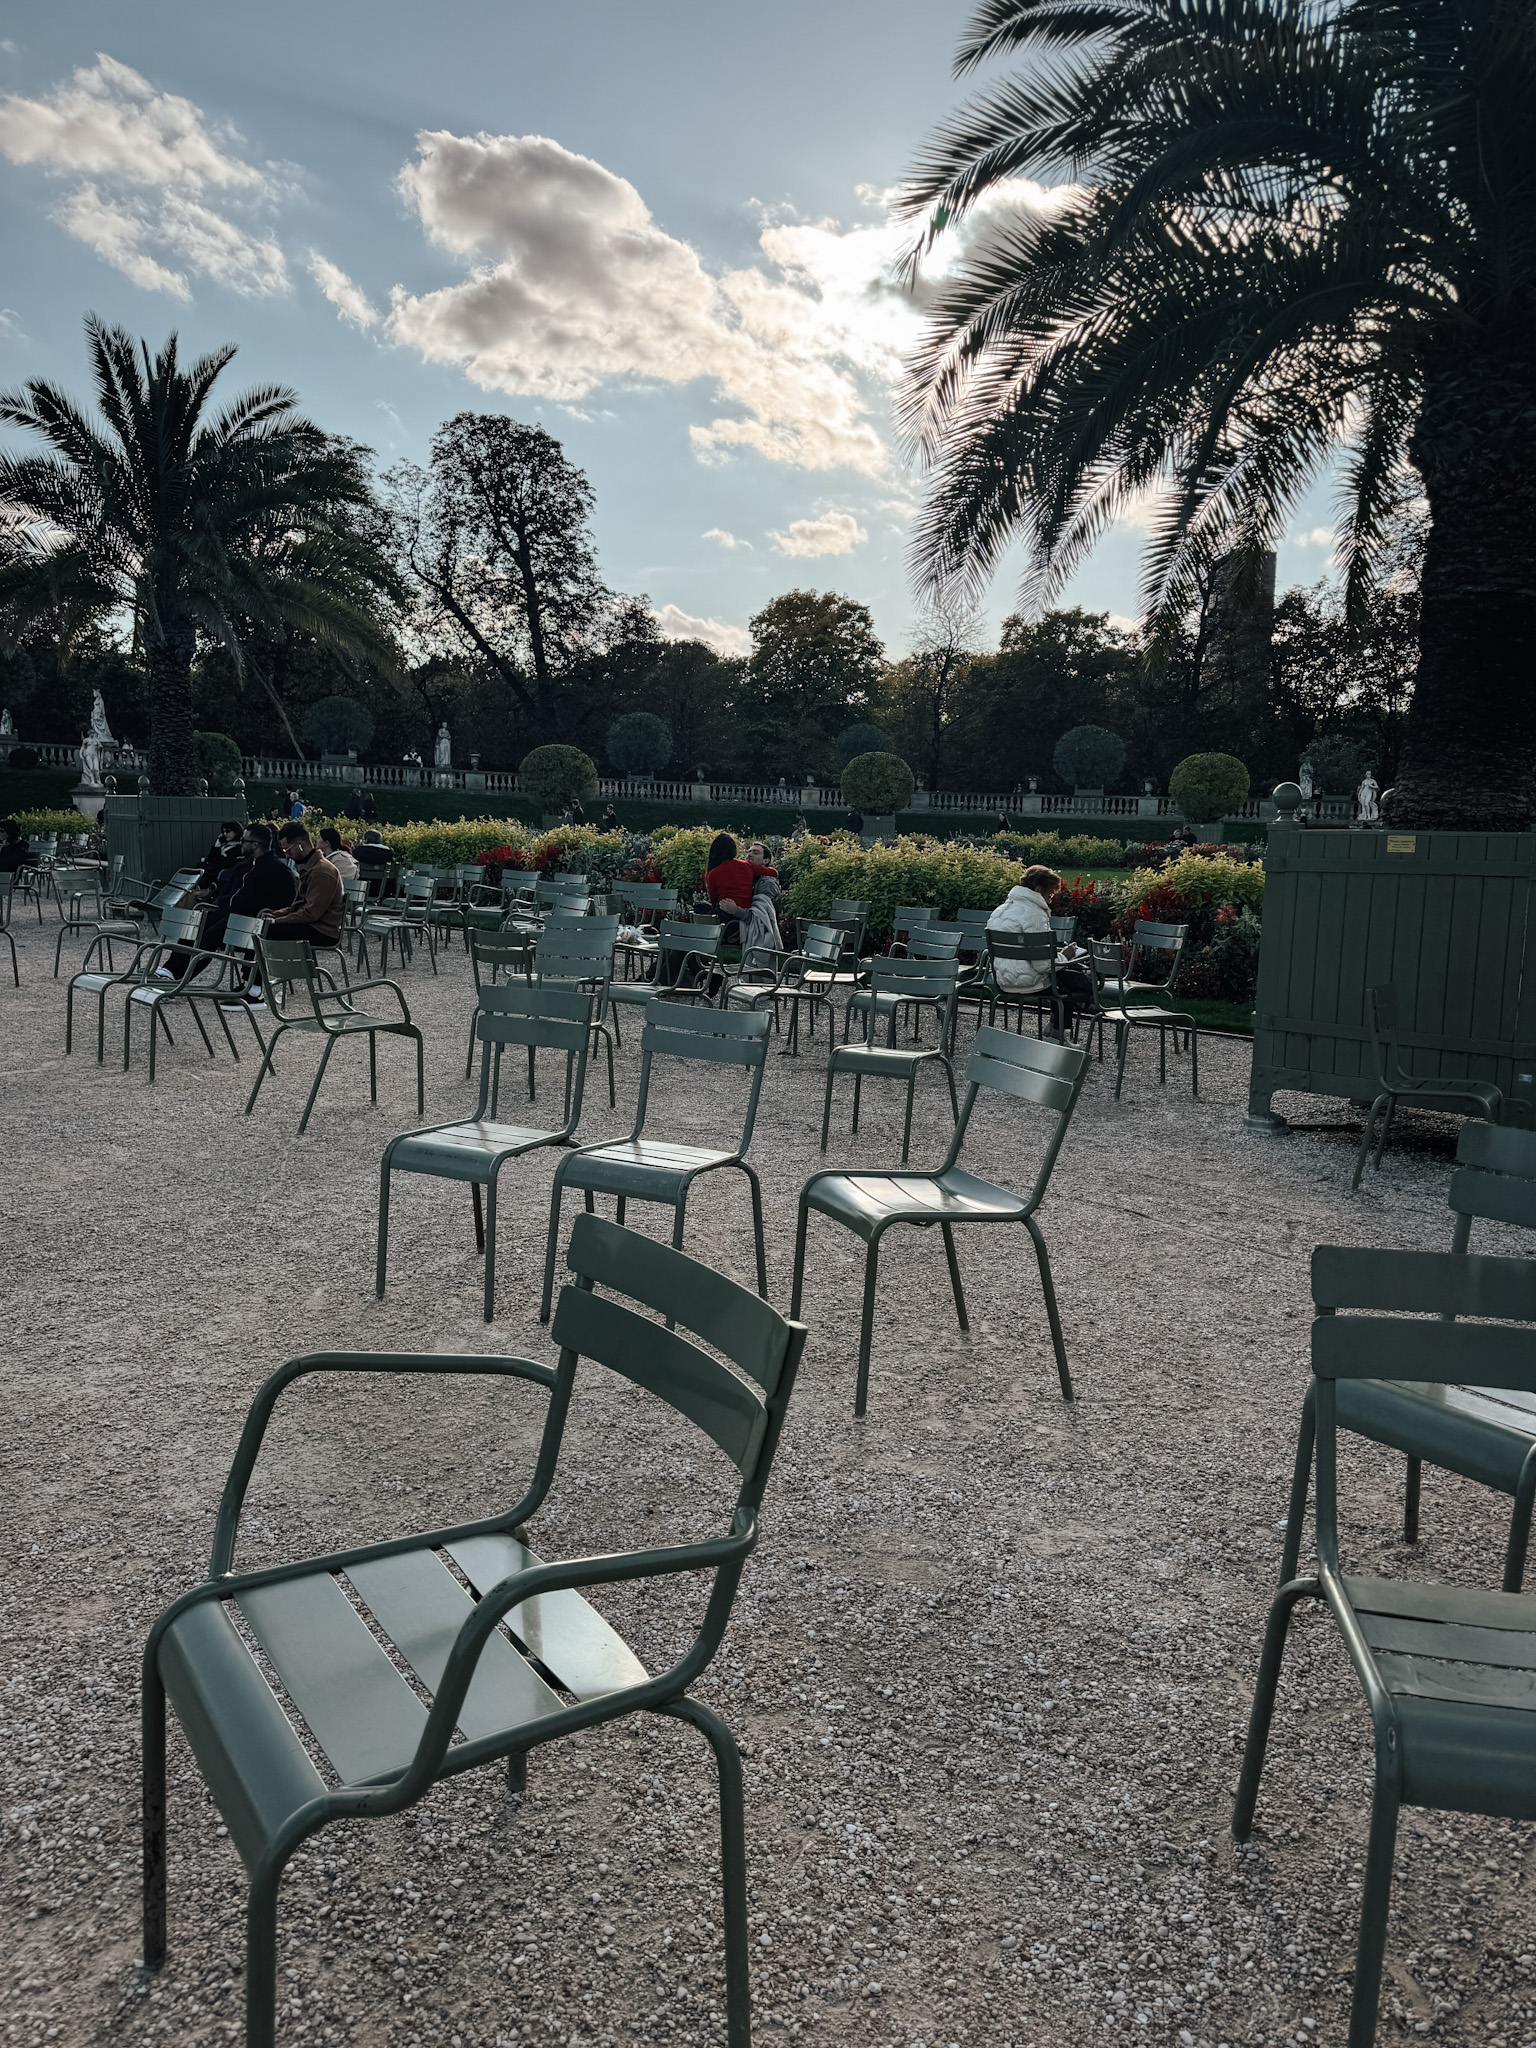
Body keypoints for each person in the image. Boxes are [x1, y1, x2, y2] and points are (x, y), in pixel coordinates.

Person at [987, 864, 1093, 1022]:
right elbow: (1044, 966)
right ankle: (1058, 1034)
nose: (1050, 901)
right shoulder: (1035, 913)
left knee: (1065, 975)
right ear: (1038, 890)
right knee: (1070, 981)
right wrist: (1065, 955)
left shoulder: (1001, 910)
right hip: (1028, 982)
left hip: (1002, 980)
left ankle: (1055, 1030)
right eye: (1050, 895)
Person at [261, 822, 344, 950]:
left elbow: (311, 913)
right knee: (263, 926)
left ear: (300, 846)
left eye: (287, 850)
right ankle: (257, 969)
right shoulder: (312, 867)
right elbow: (298, 907)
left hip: (323, 930)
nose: (287, 855)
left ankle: (261, 969)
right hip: (314, 925)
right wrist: (276, 915)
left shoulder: (321, 871)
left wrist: (278, 920)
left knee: (269, 931)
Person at [194, 821, 244, 897]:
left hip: (225, 871)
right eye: (223, 832)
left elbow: (227, 863)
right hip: (216, 868)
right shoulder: (224, 845)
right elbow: (211, 858)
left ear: (236, 831)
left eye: (227, 831)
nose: (225, 834)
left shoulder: (239, 847)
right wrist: (217, 844)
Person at [352, 827, 391, 898]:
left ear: (366, 839)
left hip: (360, 887)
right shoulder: (388, 853)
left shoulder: (358, 852)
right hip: (382, 888)